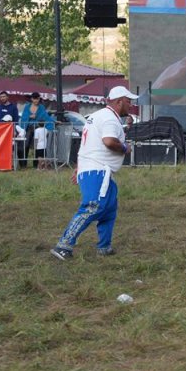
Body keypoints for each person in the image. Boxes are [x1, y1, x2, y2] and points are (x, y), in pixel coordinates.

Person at [50, 86, 138, 260]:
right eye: (129, 101)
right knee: (93, 206)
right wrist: (125, 148)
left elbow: (87, 145)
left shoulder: (97, 116)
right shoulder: (109, 119)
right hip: (98, 170)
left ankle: (104, 246)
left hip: (94, 169)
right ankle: (63, 245)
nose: (131, 105)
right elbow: (109, 141)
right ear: (119, 101)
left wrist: (80, 167)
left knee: (109, 210)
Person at [18, 92, 55, 168]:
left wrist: (54, 121)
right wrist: (30, 117)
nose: (36, 100)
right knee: (25, 144)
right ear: (32, 99)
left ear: (39, 99)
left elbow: (46, 117)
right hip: (28, 127)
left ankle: (37, 164)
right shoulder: (27, 106)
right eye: (34, 99)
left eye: (37, 98)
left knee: (38, 145)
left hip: (38, 128)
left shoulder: (41, 107)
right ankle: (23, 164)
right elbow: (24, 118)